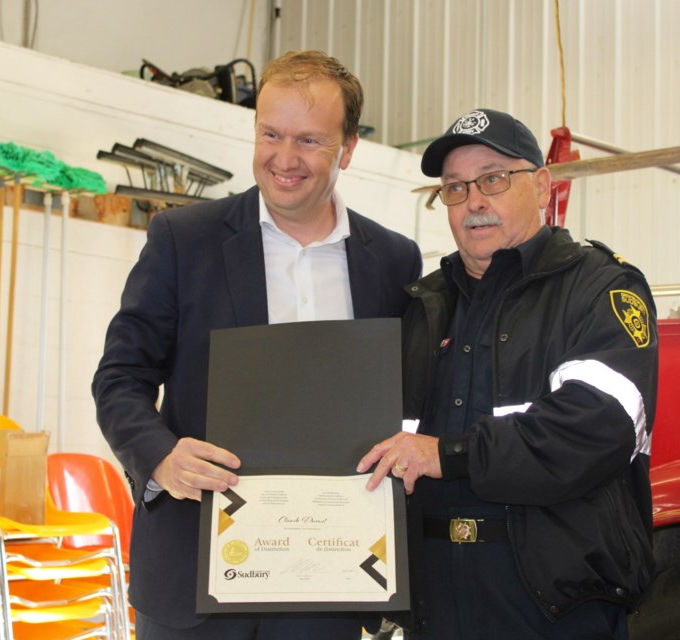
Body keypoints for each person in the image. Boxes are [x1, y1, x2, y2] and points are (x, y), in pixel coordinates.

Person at [93, 50, 422, 640]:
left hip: (329, 583)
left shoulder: (393, 261)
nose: (284, 159)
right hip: (193, 577)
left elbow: (402, 399)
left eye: (309, 141)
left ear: (348, 149)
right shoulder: (182, 240)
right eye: (270, 134)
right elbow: (120, 378)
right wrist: (161, 457)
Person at [358, 108, 658, 639]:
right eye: (454, 188)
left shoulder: (599, 290)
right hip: (435, 600)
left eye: (493, 178)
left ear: (542, 186)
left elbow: (594, 429)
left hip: (554, 606)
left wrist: (447, 454)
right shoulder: (422, 306)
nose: (473, 201)